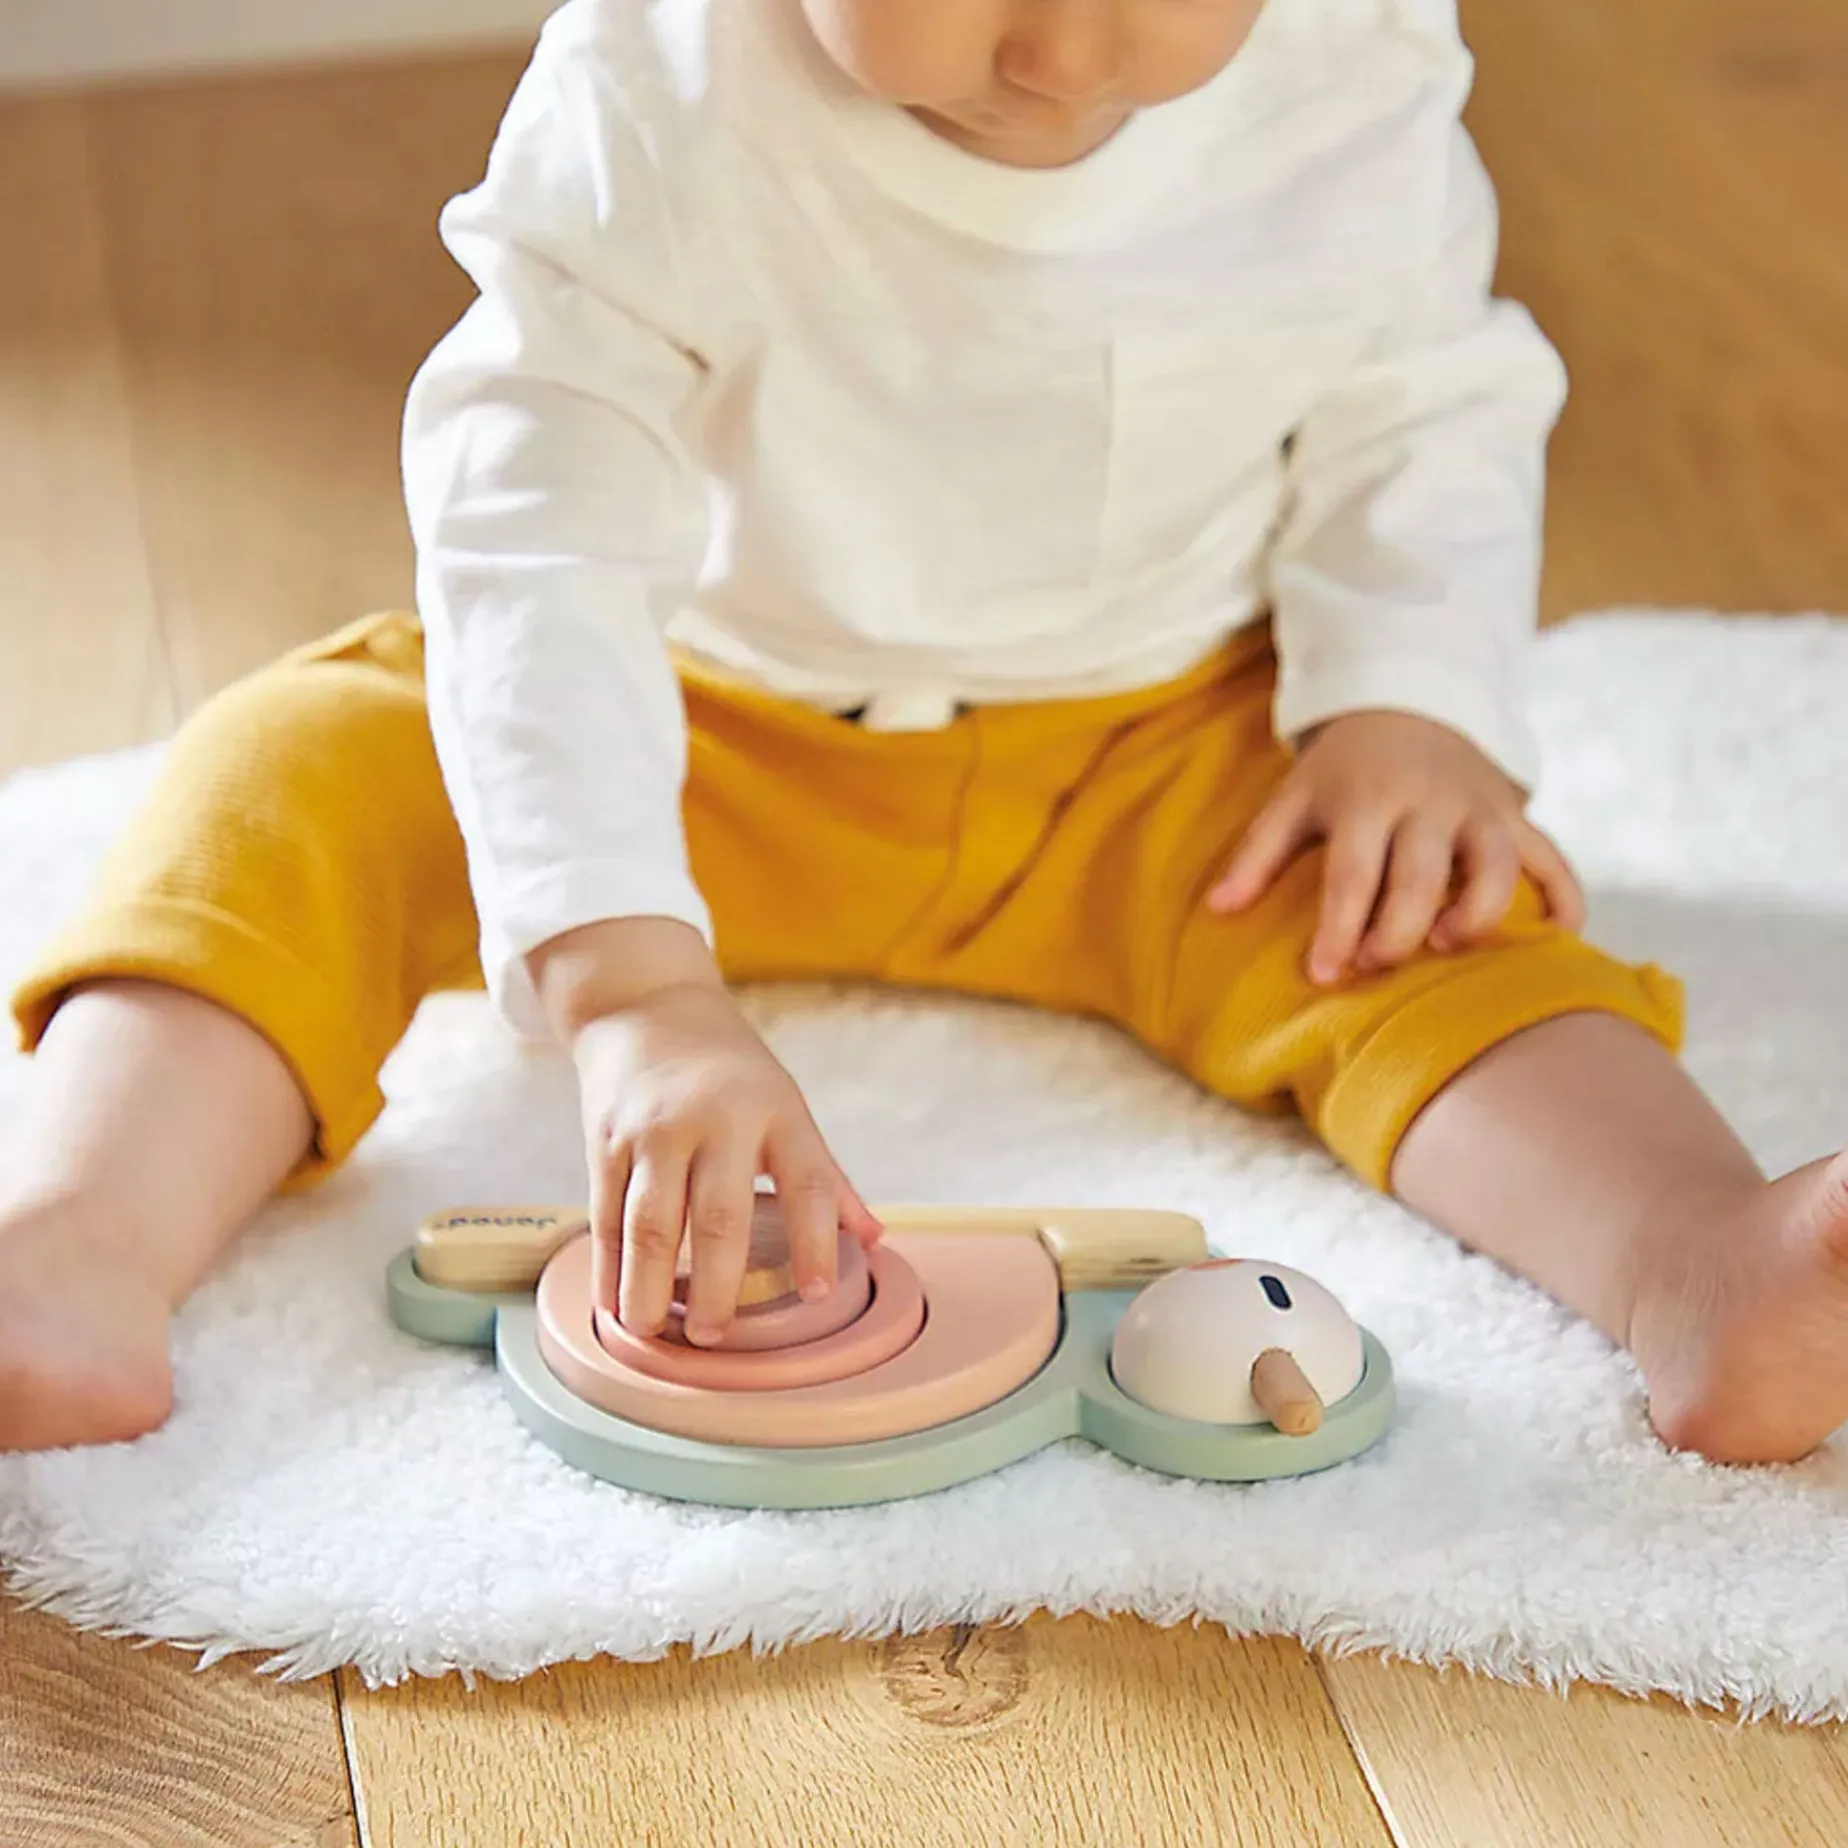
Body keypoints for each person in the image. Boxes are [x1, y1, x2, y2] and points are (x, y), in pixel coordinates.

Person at [4, 0, 1842, 1468]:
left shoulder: (1350, 57)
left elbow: (1423, 397)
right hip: (705, 729)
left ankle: (1690, 1257)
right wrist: (630, 989)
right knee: (293, 777)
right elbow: (538, 521)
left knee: (1412, 891)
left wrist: (1405, 704)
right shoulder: (660, 83)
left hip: (1160, 763)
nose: (1059, 52)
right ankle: (81, 1236)